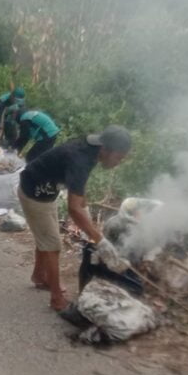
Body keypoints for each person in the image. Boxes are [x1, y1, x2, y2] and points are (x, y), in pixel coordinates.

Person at [17, 125, 133, 311]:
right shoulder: (81, 159)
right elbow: (73, 209)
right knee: (53, 245)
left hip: (46, 191)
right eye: (118, 157)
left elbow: (78, 186)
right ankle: (56, 299)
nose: (119, 162)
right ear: (106, 149)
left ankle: (39, 276)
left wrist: (84, 208)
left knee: (45, 237)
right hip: (33, 193)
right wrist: (100, 240)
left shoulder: (93, 149)